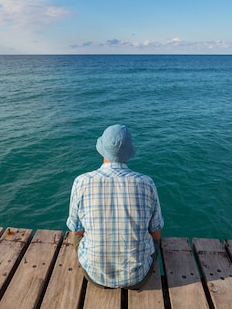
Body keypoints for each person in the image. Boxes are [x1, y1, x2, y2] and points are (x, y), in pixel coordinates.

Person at [66, 124, 164, 289]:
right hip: (138, 277)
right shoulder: (147, 183)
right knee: (153, 240)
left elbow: (76, 229)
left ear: (102, 149)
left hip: (94, 276)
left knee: (78, 236)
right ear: (129, 151)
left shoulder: (81, 182)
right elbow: (155, 230)